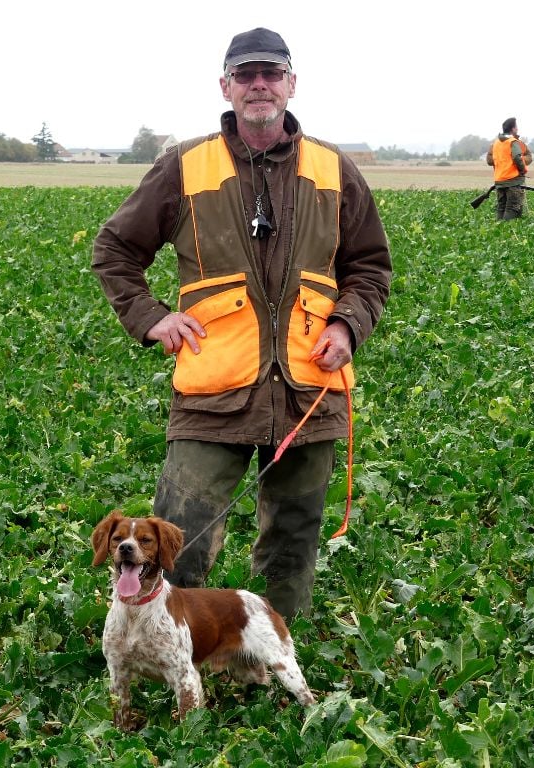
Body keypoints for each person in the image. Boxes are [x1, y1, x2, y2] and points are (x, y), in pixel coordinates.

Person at [91, 27, 391, 619]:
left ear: (291, 84)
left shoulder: (334, 170)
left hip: (310, 388)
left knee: (293, 542)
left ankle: (273, 665)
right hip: (213, 392)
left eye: (271, 73)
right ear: (225, 86)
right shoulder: (184, 166)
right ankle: (167, 654)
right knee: (180, 539)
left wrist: (348, 324)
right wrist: (150, 317)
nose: (259, 85)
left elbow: (370, 266)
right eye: (246, 74)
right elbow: (114, 250)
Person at [485, 117, 532, 220]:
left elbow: (490, 160)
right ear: (513, 129)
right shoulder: (512, 142)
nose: (517, 129)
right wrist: (523, 170)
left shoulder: (496, 143)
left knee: (501, 208)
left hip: (499, 181)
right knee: (512, 208)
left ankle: (498, 231)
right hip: (513, 181)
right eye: (516, 127)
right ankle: (506, 230)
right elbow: (516, 157)